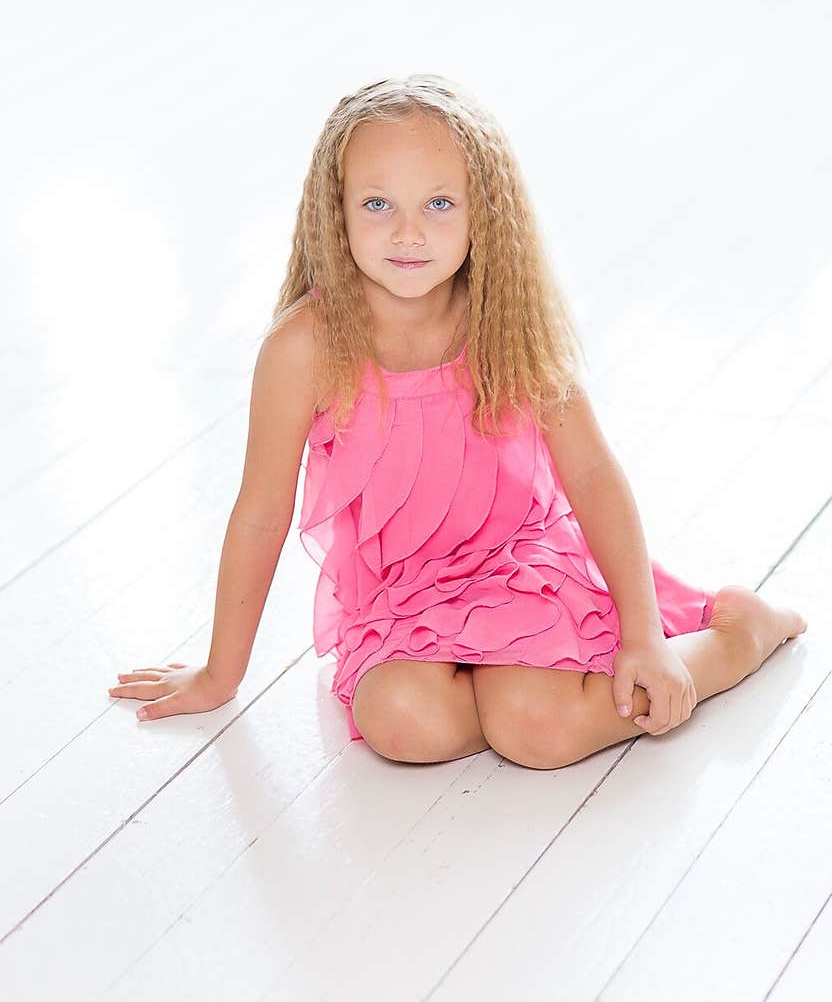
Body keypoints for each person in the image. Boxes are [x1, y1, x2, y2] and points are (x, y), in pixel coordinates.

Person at [108, 73, 807, 769]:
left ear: (484, 213)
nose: (408, 231)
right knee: (398, 722)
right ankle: (517, 677)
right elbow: (260, 514)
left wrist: (643, 634)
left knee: (536, 730)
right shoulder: (304, 348)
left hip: (523, 561)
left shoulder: (504, 323)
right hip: (406, 596)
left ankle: (733, 639)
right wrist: (218, 673)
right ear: (336, 210)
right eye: (378, 203)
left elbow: (592, 475)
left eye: (439, 203)